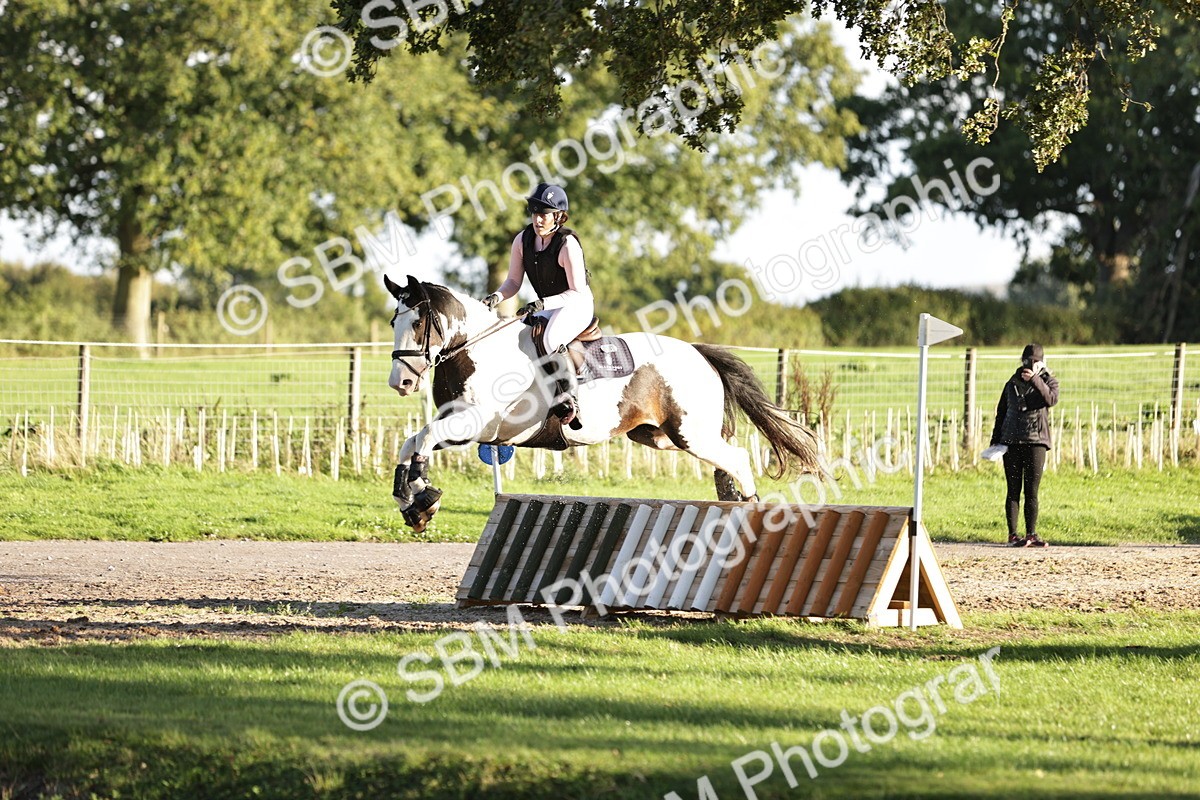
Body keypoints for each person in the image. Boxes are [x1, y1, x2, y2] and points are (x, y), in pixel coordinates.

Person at [482, 183, 593, 428]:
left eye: (544, 214)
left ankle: (570, 398)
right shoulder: (523, 240)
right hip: (546, 305)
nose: (538, 219)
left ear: (559, 217)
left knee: (549, 339)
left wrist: (542, 303)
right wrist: (496, 297)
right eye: (535, 213)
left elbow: (577, 292)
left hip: (577, 305)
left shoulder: (567, 244)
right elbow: (512, 281)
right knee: (514, 336)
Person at [989, 343, 1060, 547]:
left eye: (1034, 362)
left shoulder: (1048, 382)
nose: (1029, 365)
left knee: (1031, 490)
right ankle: (1013, 535)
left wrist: (1035, 379)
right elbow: (1001, 411)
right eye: (1027, 361)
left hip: (1036, 442)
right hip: (1011, 442)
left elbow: (1051, 399)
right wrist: (996, 440)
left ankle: (1031, 533)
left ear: (1041, 363)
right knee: (1013, 490)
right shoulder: (1011, 383)